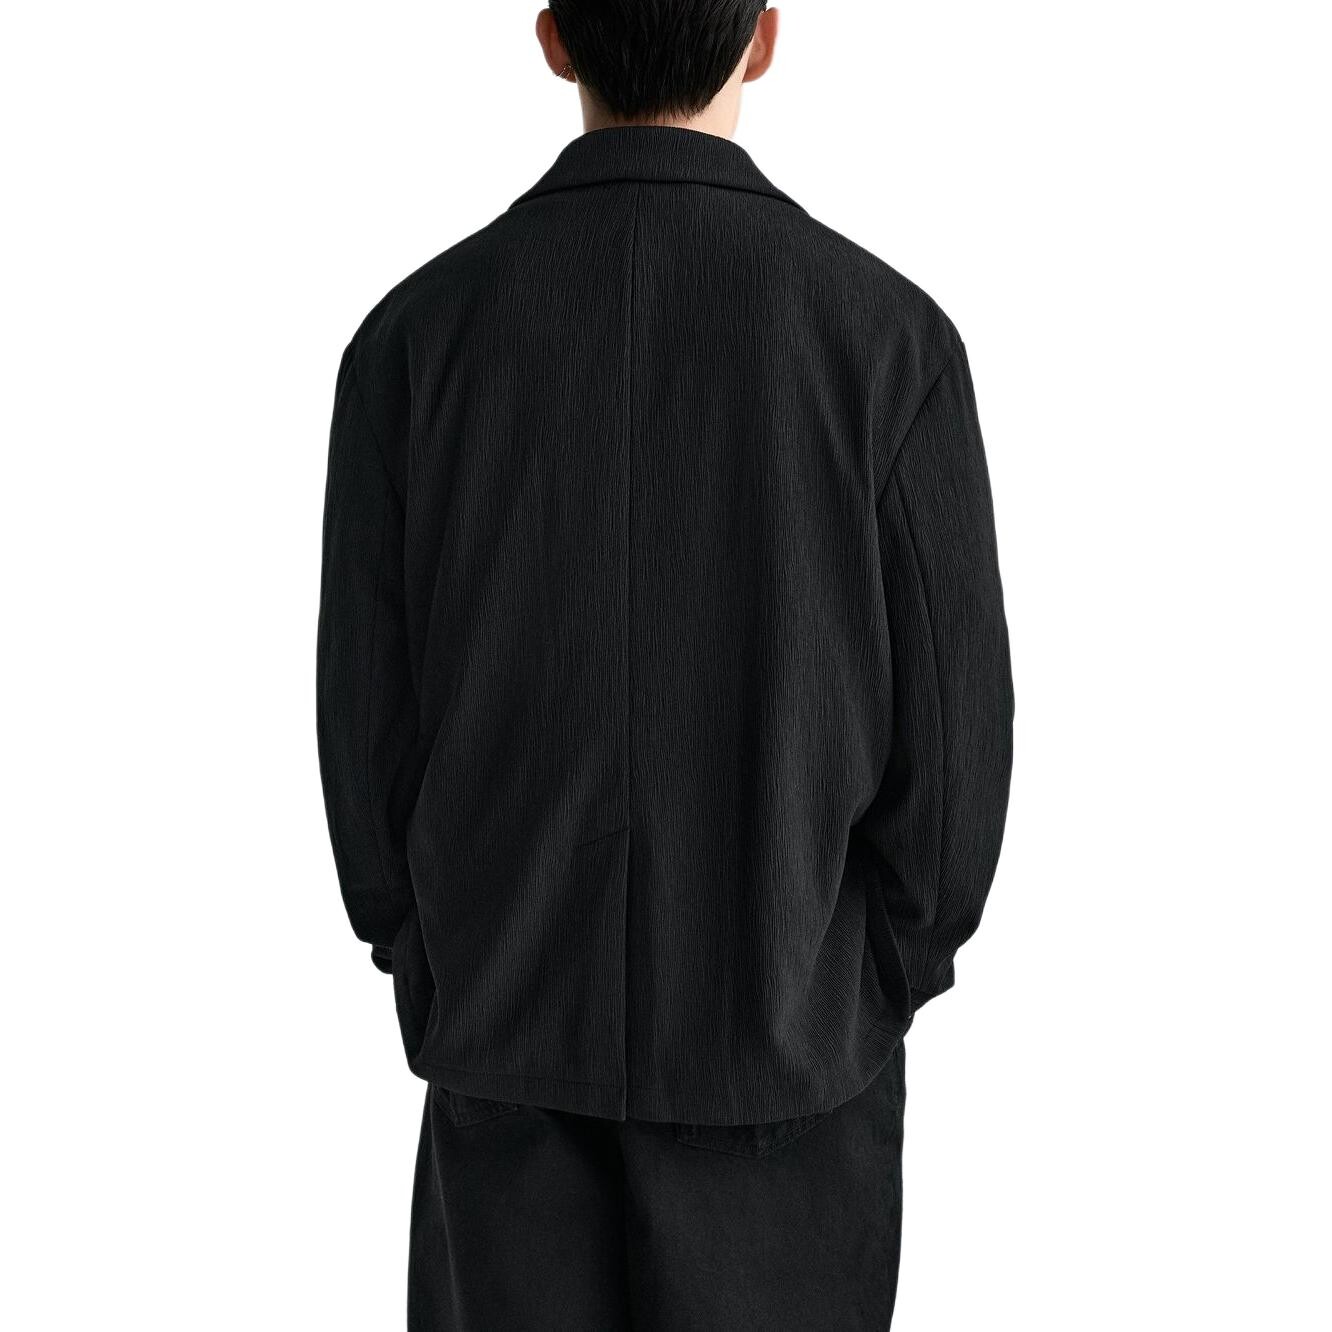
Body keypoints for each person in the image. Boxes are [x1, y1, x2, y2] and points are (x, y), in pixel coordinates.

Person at [316, 3, 1014, 1326]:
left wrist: (445, 970)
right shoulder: (889, 341)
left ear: (552, 38)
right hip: (792, 1085)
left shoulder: (413, 342)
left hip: (508, 1072)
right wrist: (851, 987)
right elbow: (957, 763)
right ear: (764, 39)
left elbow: (367, 736)